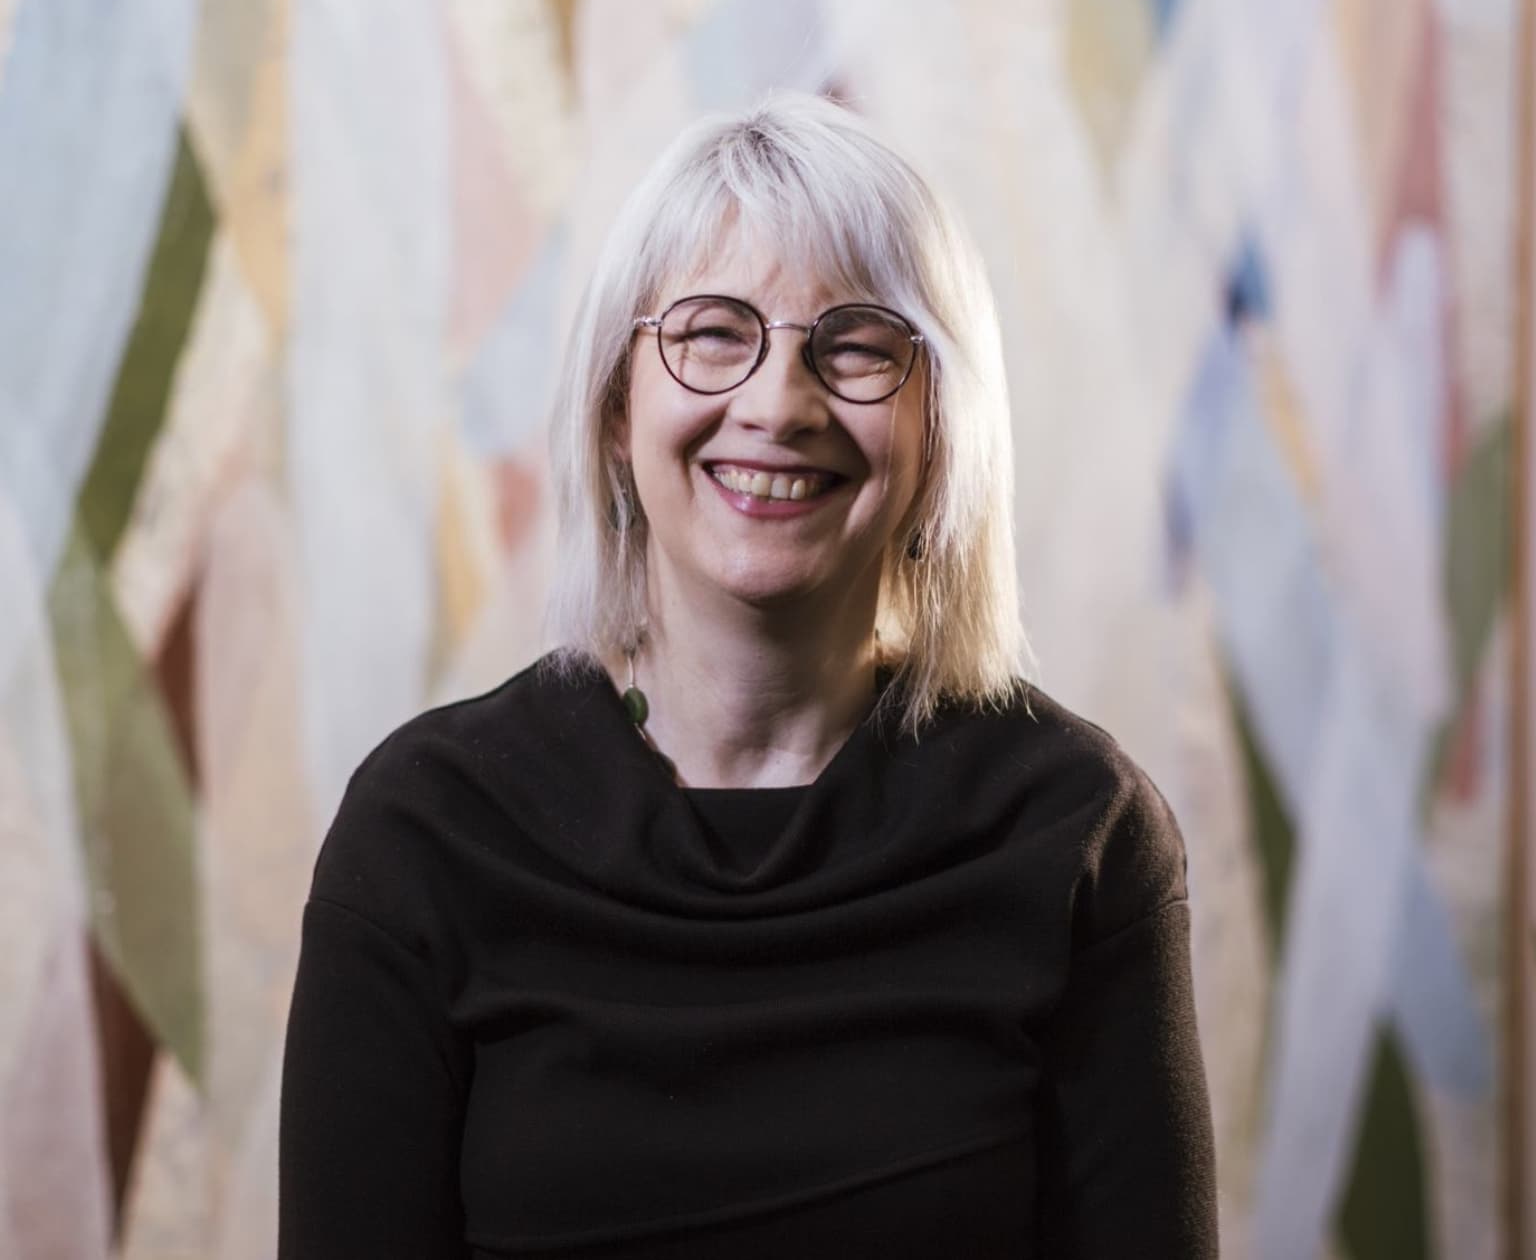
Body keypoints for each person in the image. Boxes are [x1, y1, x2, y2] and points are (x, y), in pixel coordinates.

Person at [278, 92, 1217, 1259]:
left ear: (940, 430)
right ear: (619, 408)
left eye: (860, 346)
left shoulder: (1080, 830)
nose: (779, 405)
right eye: (714, 333)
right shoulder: (425, 831)